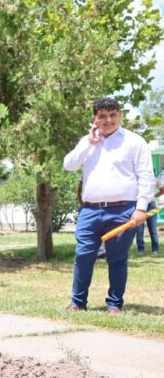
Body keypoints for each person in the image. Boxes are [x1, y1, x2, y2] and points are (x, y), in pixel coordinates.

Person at [64, 97, 154, 315]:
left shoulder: (135, 142)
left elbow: (146, 177)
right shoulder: (88, 142)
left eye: (113, 115)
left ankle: (114, 304)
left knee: (117, 259)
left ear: (119, 116)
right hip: (89, 210)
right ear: (94, 119)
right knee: (83, 255)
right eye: (102, 116)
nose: (108, 120)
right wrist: (88, 143)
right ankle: (77, 302)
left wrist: (141, 208)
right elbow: (69, 165)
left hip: (123, 210)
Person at [135, 173, 162, 254]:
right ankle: (141, 250)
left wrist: (155, 196)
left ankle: (155, 249)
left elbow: (163, 189)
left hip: (151, 205)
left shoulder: (153, 180)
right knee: (139, 230)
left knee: (152, 229)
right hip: (139, 206)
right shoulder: (137, 180)